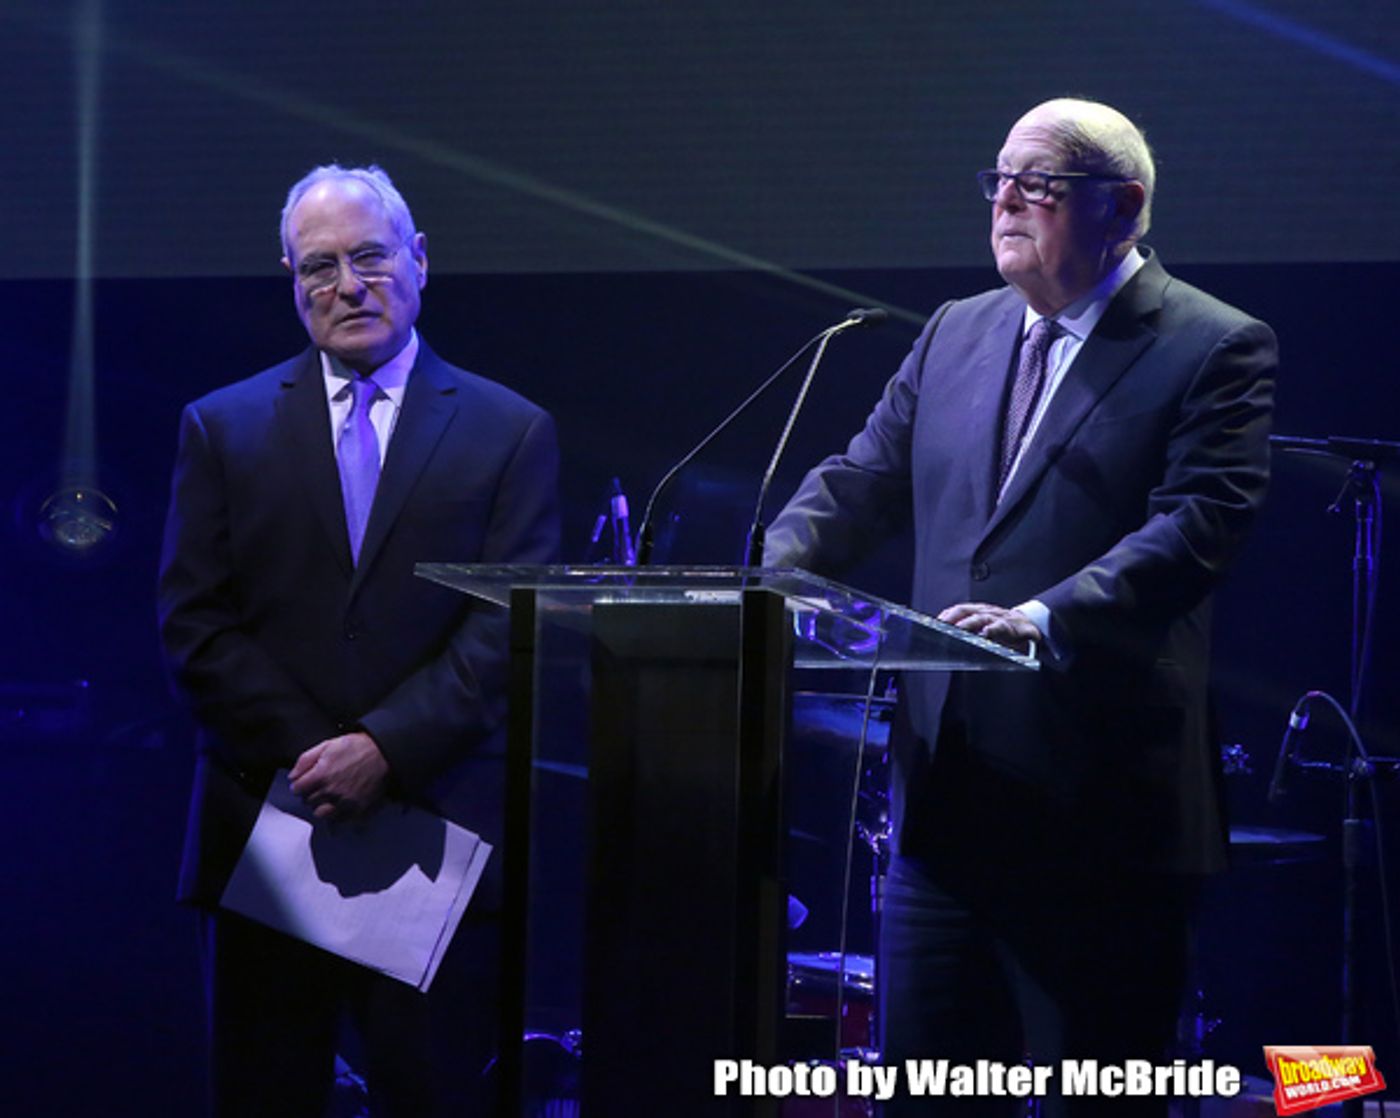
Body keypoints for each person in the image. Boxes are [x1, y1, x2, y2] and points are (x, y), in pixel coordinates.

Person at [764, 99, 1276, 1115]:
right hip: (946, 808)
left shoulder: (1212, 344)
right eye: (998, 179)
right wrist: (772, 577)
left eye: (1038, 184)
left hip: (1101, 818)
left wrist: (1041, 617)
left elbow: (1198, 525)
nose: (1004, 201)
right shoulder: (956, 331)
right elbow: (859, 481)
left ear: (1121, 205)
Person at [158, 163, 560, 1116]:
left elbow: (509, 626)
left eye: (370, 258)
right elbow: (194, 625)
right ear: (292, 279)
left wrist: (383, 749)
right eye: (319, 267)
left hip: (435, 839)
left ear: (419, 260)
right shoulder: (221, 426)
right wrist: (321, 758)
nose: (347, 286)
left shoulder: (510, 431)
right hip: (266, 835)